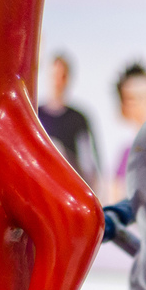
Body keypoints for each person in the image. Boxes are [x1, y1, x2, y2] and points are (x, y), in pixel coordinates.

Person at [38, 53, 101, 193]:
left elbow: (89, 163)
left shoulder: (79, 118)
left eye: (63, 76)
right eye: (54, 76)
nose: (58, 81)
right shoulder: (35, 115)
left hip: (70, 191)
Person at [109, 62, 146, 202]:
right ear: (123, 108)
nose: (142, 106)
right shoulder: (126, 154)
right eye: (133, 100)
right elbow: (115, 197)